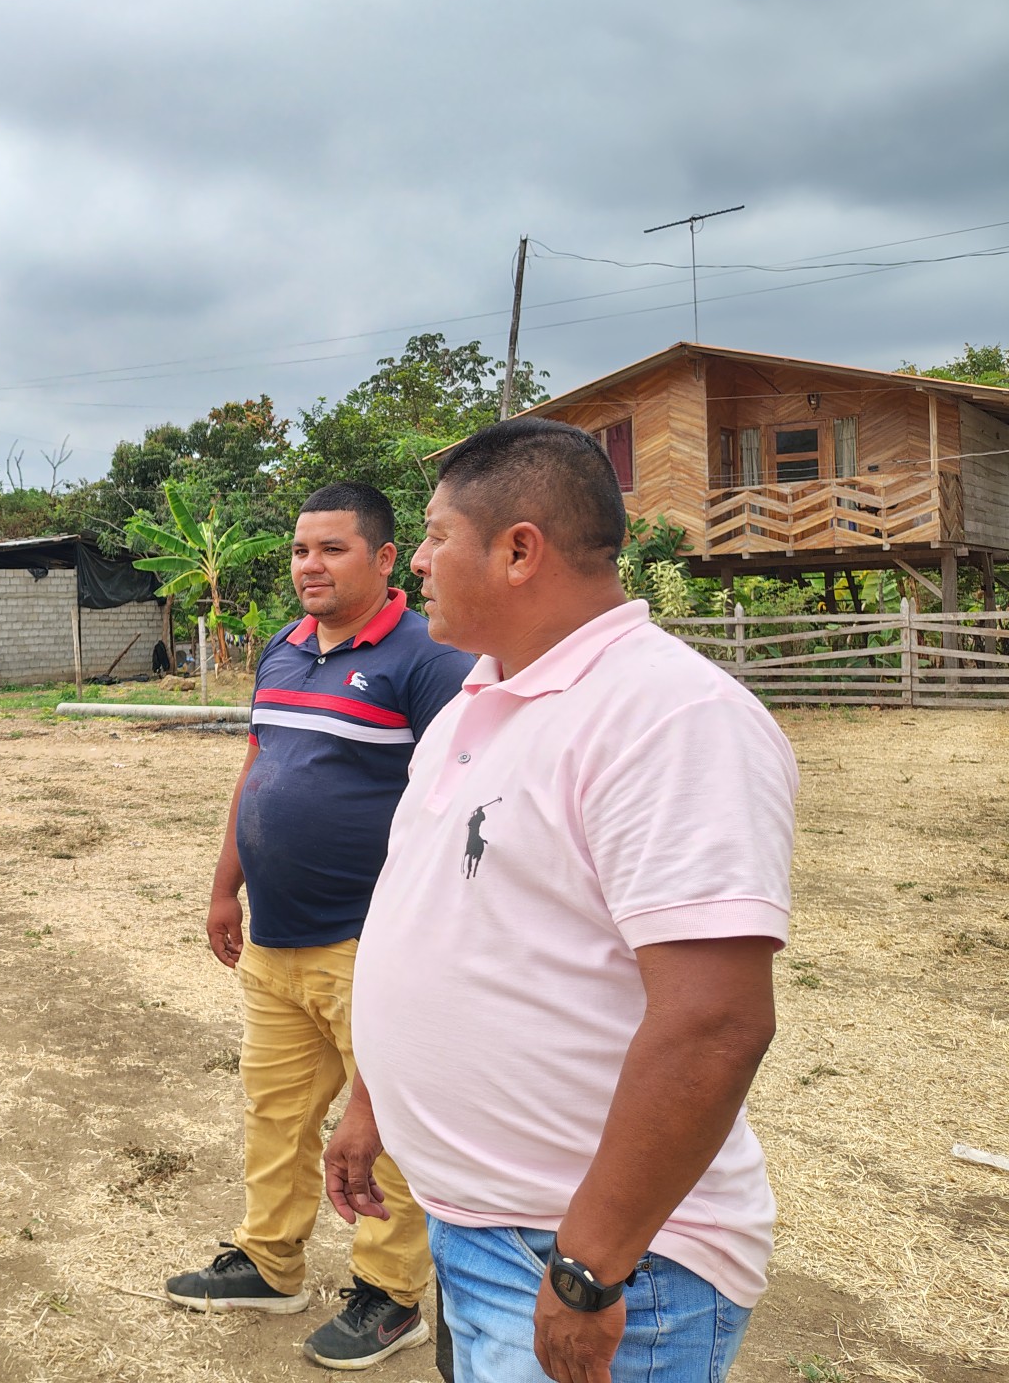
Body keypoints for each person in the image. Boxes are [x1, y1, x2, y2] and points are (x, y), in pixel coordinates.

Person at [328, 418, 797, 1383]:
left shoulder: (671, 717)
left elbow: (715, 1023)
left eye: (435, 536)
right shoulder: (475, 704)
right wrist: (375, 1101)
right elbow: (438, 919)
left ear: (518, 551)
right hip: (479, 1227)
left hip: (595, 1259)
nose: (416, 561)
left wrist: (589, 1266)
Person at [164, 482, 474, 1371]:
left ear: (385, 558)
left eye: (333, 549)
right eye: (302, 550)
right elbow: (257, 768)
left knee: (390, 1130)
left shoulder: (430, 659)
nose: (310, 566)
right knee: (276, 1112)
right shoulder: (283, 648)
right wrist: (225, 886)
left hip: (371, 943)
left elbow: (457, 803)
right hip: (275, 938)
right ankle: (271, 1262)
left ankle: (390, 1295)